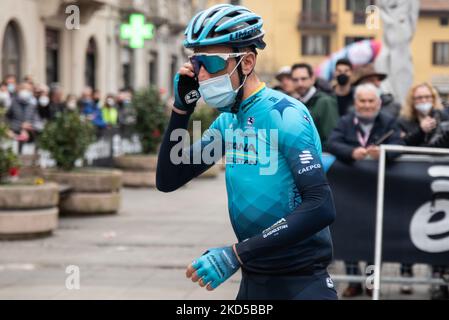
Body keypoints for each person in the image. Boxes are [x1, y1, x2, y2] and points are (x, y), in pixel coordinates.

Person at [156, 4, 337, 300]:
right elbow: (169, 178)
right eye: (196, 62)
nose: (200, 75)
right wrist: (181, 110)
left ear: (248, 62)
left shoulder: (286, 114)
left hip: (301, 282)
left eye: (211, 63)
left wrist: (236, 254)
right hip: (254, 279)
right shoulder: (228, 121)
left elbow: (321, 205)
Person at [327, 83, 404, 297]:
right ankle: (353, 281)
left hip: (377, 190)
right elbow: (332, 143)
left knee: (373, 237)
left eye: (371, 101)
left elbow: (399, 144)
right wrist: (351, 152)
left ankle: (371, 281)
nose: (367, 105)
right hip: (351, 191)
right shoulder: (345, 121)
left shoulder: (388, 121)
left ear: (378, 103)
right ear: (356, 103)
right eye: (363, 101)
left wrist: (384, 153)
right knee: (350, 235)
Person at [399, 82, 449, 300]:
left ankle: (438, 280)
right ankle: (406, 275)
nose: (423, 101)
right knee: (403, 227)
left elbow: (439, 147)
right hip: (407, 183)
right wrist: (420, 131)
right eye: (418, 98)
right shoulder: (404, 121)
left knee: (438, 230)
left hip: (436, 184)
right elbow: (399, 146)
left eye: (426, 96)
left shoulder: (443, 119)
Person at [291, 63, 339, 147]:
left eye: (303, 79)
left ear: (312, 79)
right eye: (295, 80)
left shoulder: (325, 102)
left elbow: (332, 138)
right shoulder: (295, 103)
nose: (300, 84)